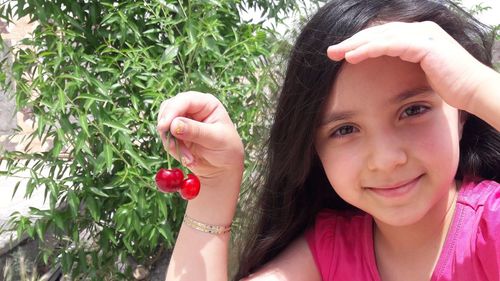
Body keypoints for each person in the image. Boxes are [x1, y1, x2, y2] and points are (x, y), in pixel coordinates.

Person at [157, 0, 500, 280]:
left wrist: (477, 86)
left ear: (462, 111)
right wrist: (215, 185)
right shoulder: (329, 253)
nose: (385, 159)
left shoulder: (490, 228)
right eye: (345, 130)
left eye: (413, 110)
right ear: (314, 150)